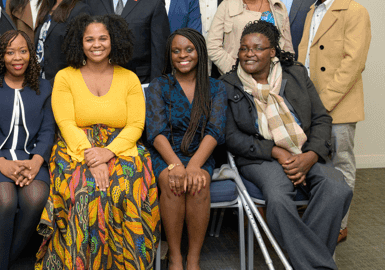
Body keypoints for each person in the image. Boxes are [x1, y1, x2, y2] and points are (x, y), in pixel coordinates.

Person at [222, 20, 352, 270]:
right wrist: (276, 151)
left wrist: (311, 155)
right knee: (278, 199)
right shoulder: (228, 84)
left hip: (303, 151)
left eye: (258, 48)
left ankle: (306, 261)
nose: (249, 53)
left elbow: (321, 118)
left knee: (337, 188)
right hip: (260, 157)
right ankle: (318, 265)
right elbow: (231, 136)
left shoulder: (296, 74)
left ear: (272, 52)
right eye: (244, 48)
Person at [36, 14, 159, 270]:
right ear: (79, 43)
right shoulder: (64, 78)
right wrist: (92, 157)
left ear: (113, 41)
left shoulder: (129, 79)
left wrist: (108, 153)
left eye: (103, 38)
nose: (96, 44)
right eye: (89, 39)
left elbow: (136, 125)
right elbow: (66, 123)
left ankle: (127, 264)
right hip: (76, 147)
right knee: (84, 188)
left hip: (121, 146)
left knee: (127, 186)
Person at [298, 0, 371, 243]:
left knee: (341, 165)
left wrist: (322, 105)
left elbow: (353, 65)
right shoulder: (312, 10)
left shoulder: (355, 11)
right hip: (313, 105)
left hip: (336, 106)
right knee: (320, 165)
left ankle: (339, 224)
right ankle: (323, 216)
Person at [0, 30, 54, 270]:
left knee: (36, 199)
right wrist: (1, 163)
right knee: (4, 201)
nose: (18, 57)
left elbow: (48, 130)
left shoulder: (44, 87)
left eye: (23, 51)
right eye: (10, 52)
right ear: (1, 56)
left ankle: (5, 262)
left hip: (30, 158)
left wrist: (37, 162)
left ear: (31, 55)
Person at [145, 28, 227, 270]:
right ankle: (175, 257)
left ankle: (193, 258)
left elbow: (215, 131)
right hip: (165, 154)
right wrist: (177, 165)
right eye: (176, 51)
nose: (183, 55)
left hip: (200, 155)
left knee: (199, 185)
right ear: (170, 55)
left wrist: (193, 166)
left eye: (189, 49)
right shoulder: (160, 85)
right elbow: (156, 132)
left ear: (199, 52)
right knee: (173, 184)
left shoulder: (215, 87)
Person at [207, 0, 293, 75]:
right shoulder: (226, 6)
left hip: (273, 78)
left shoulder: (277, 6)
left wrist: (282, 73)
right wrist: (236, 72)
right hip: (237, 79)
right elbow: (212, 46)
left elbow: (287, 46)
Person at [34, 0, 90, 81]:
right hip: (40, 82)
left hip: (63, 83)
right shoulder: (45, 8)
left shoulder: (80, 10)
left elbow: (81, 55)